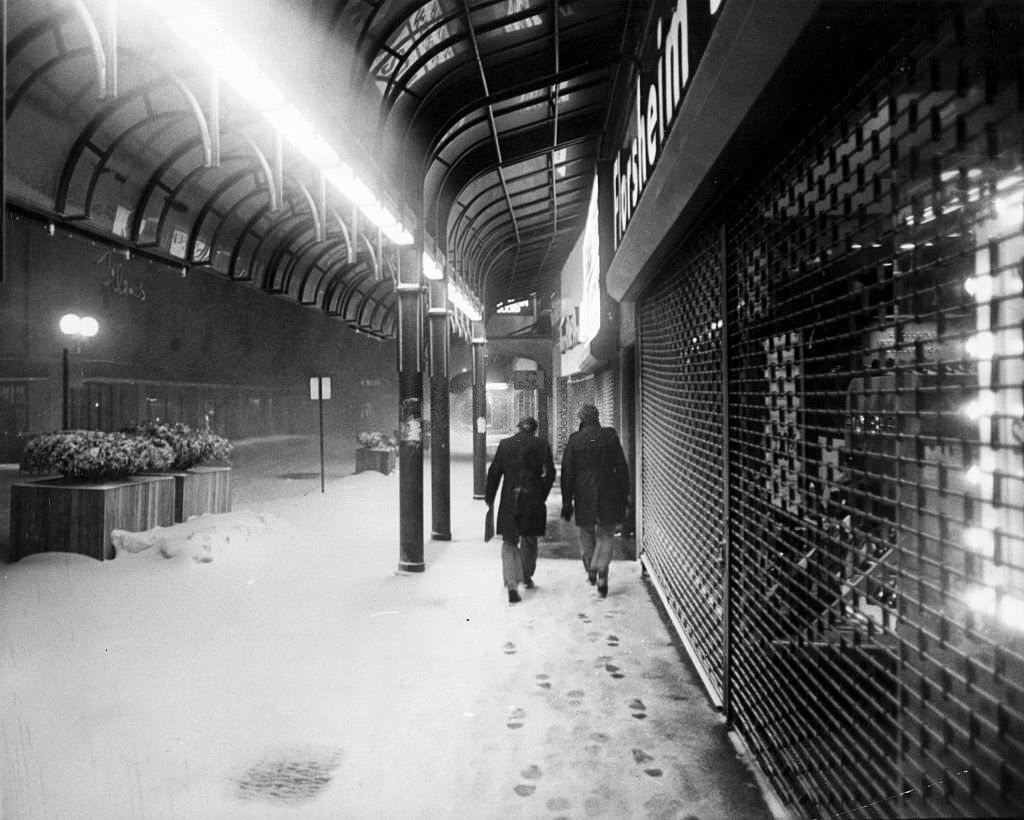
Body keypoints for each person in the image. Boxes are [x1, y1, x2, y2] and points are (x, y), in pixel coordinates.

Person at [560, 404, 630, 598]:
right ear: (597, 417)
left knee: (586, 532)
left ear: (581, 419)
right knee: (606, 533)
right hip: (609, 490)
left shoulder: (575, 440)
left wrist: (567, 501)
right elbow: (622, 468)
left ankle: (591, 568)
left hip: (583, 492)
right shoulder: (610, 436)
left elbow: (567, 472)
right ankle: (602, 574)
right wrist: (625, 495)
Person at [485, 417, 555, 604]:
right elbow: (550, 474)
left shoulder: (506, 444)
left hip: (510, 498)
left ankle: (511, 584)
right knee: (529, 539)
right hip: (532, 498)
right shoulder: (542, 445)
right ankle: (526, 575)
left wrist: (490, 498)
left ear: (518, 428)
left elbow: (494, 472)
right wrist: (542, 493)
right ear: (534, 430)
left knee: (509, 542)